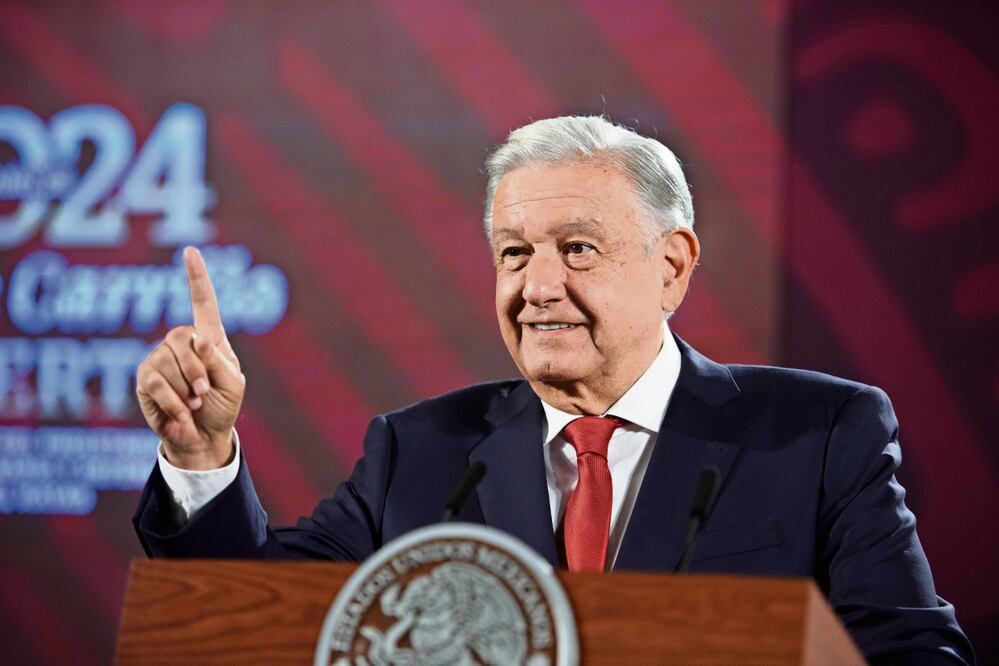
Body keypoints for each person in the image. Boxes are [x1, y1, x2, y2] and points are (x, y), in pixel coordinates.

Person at [133, 116, 973, 664]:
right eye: (511, 252)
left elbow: (909, 653)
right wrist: (202, 456)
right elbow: (250, 625)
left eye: (575, 249)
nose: (535, 286)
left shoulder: (819, 435)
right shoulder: (421, 451)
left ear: (671, 266)